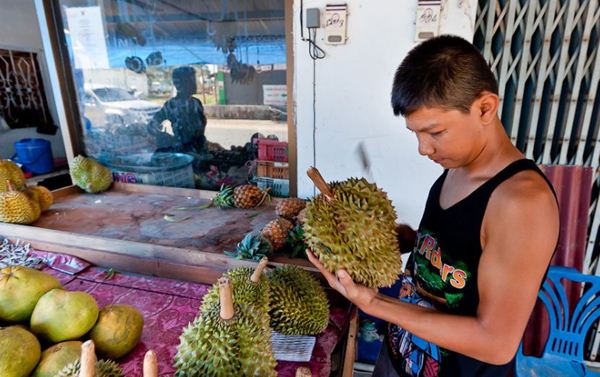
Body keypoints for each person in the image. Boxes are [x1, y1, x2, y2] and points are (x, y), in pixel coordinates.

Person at [307, 34, 560, 377]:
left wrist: (373, 302)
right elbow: (456, 251)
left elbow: (496, 343)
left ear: (485, 108)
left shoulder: (522, 203)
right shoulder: (454, 170)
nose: (423, 149)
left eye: (435, 132)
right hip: (400, 355)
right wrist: (399, 238)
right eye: (416, 133)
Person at [147, 66, 208, 158]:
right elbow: (152, 126)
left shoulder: (196, 103)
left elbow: (201, 126)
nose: (195, 84)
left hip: (200, 151)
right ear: (179, 84)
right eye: (190, 80)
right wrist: (168, 140)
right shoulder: (171, 105)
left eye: (194, 80)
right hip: (184, 156)